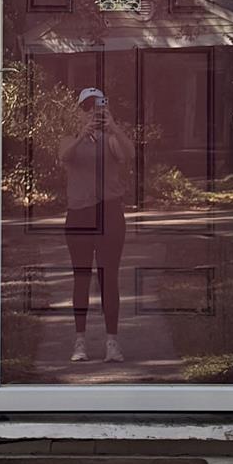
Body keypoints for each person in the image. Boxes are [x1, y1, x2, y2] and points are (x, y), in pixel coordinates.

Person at [59, 86, 131, 366]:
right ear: (79, 111)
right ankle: (80, 341)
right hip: (79, 214)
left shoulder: (111, 138)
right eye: (87, 108)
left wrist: (113, 128)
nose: (92, 112)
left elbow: (128, 154)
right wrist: (82, 134)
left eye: (97, 107)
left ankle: (112, 342)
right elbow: (65, 155)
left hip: (110, 213)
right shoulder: (69, 138)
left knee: (108, 277)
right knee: (81, 277)